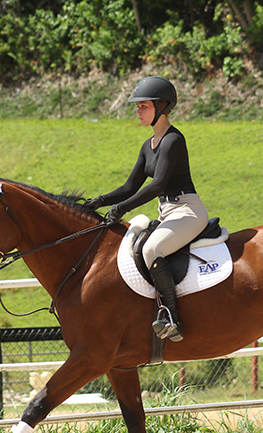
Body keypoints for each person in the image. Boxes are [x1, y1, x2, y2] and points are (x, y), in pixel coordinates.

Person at [84, 76, 208, 342]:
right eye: (137, 106)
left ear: (162, 106)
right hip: (168, 213)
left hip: (188, 211)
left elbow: (157, 185)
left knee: (153, 249)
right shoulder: (148, 146)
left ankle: (171, 317)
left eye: (143, 106)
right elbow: (130, 186)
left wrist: (121, 209)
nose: (137, 111)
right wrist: (99, 201)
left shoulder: (173, 140)